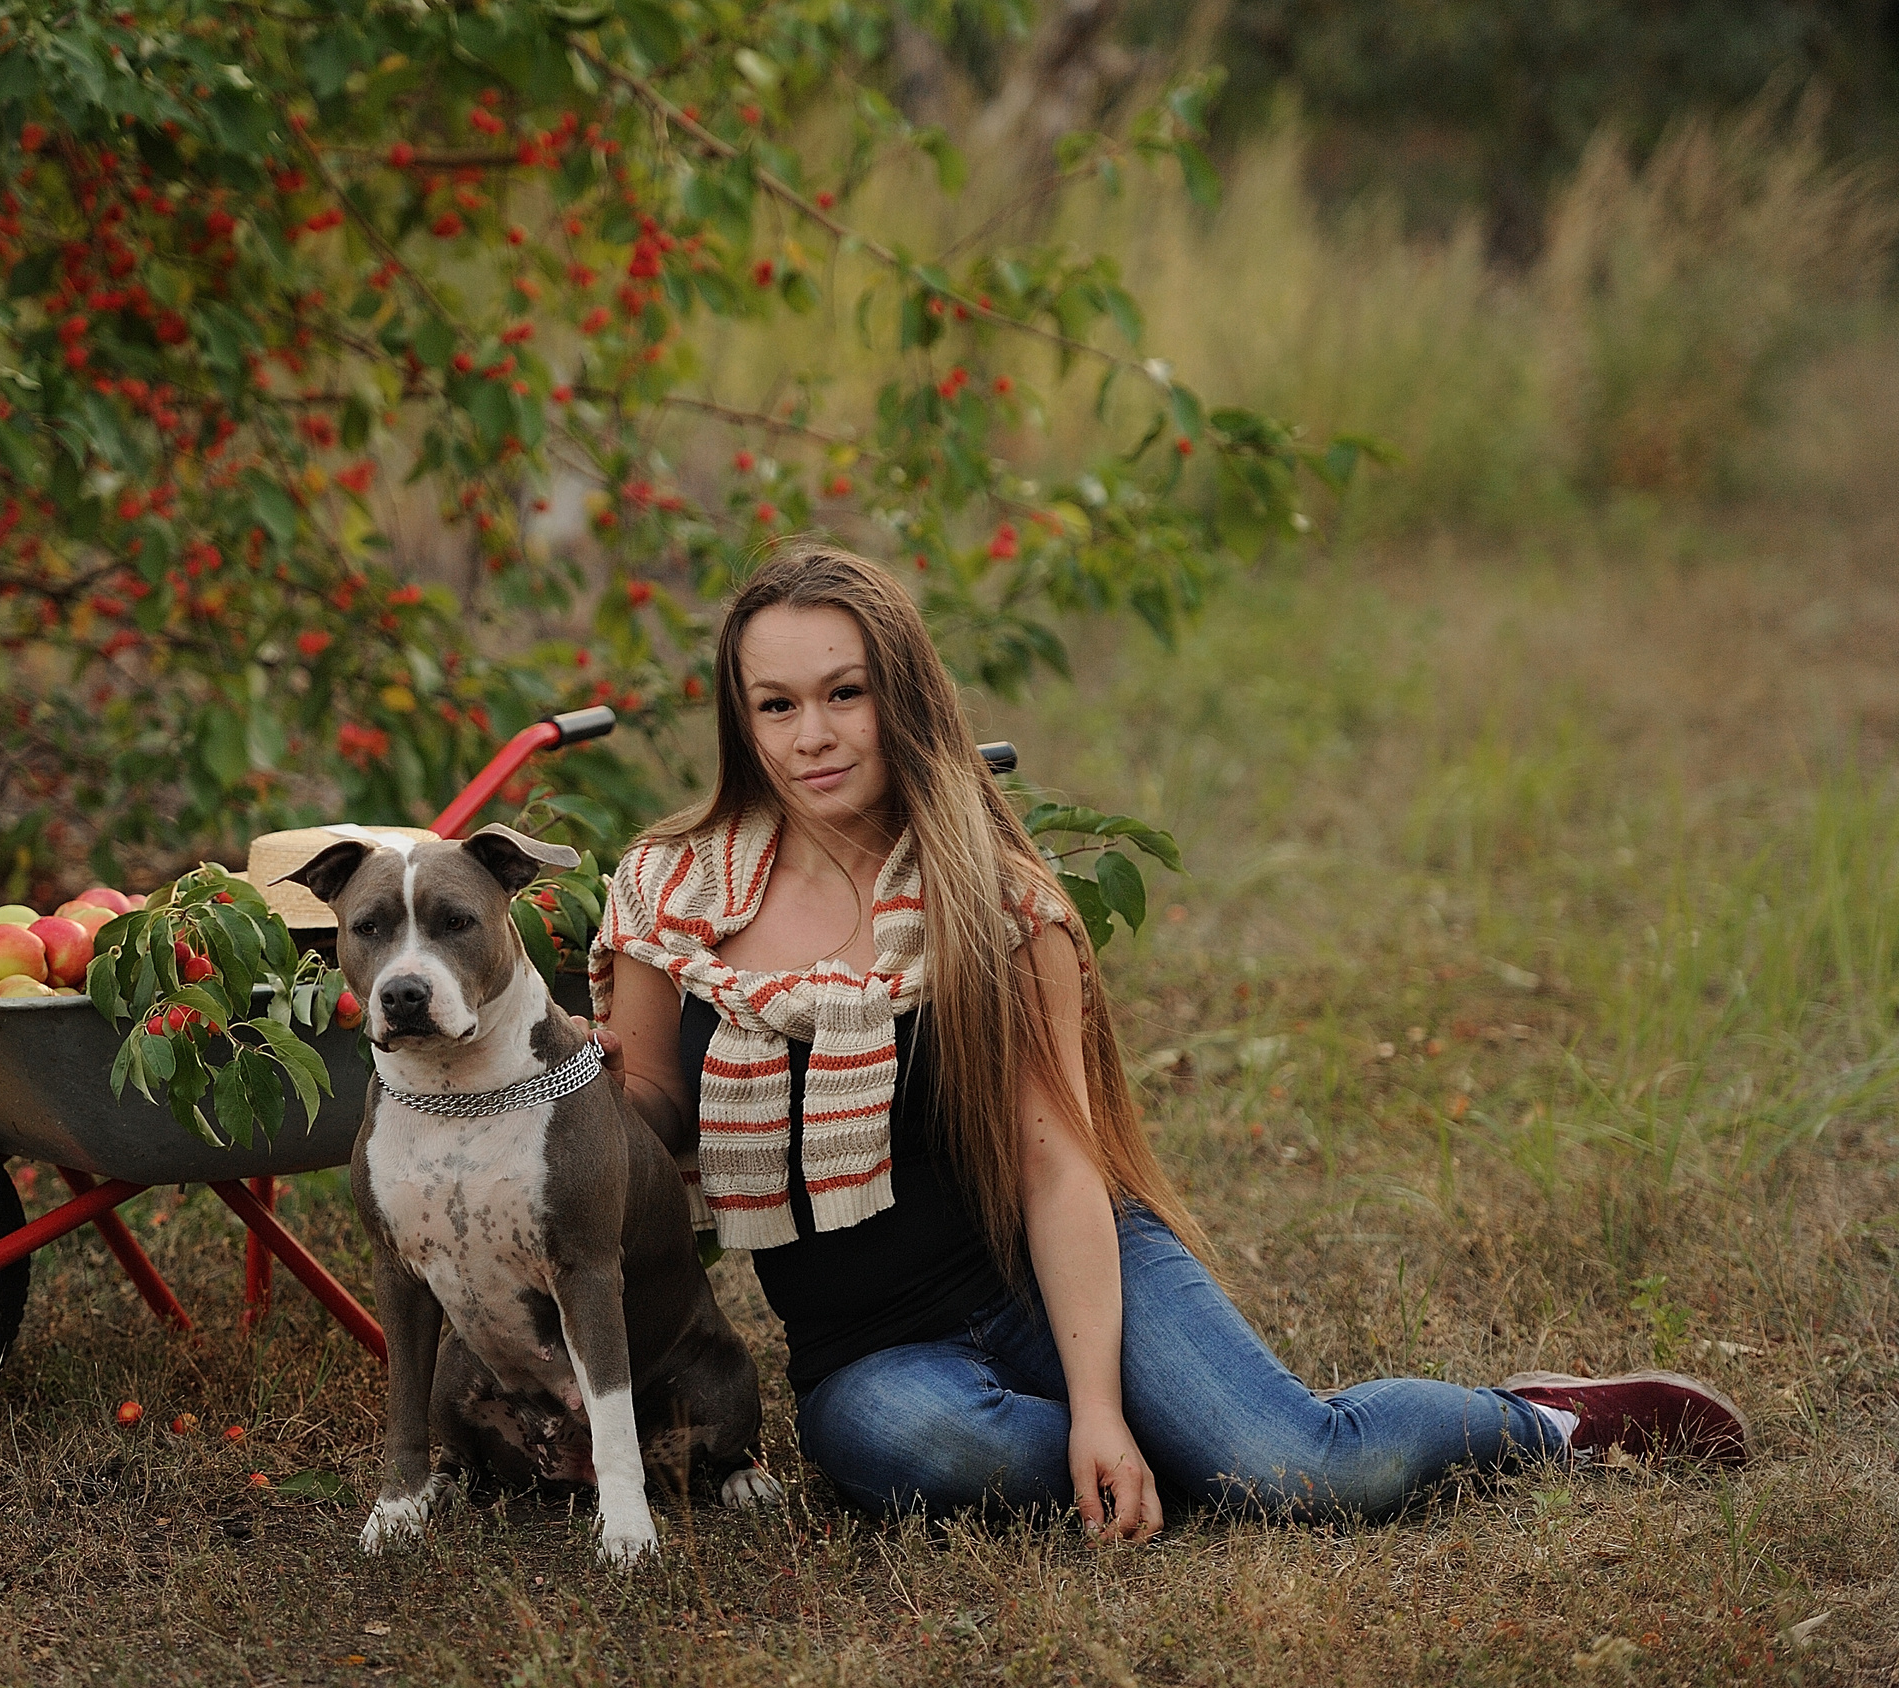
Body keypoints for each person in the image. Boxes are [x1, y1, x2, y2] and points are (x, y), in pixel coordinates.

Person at [586, 546, 1747, 1536]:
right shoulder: (671, 896)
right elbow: (641, 1116)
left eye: (845, 694)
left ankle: (1540, 1423)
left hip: (1057, 1273)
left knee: (1307, 1473)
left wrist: (1096, 1406)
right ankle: (1193, 1457)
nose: (812, 737)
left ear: (904, 697)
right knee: (918, 1450)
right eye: (776, 705)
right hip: (874, 1352)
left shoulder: (992, 902)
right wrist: (540, 1073)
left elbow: (1055, 1162)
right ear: (740, 720)